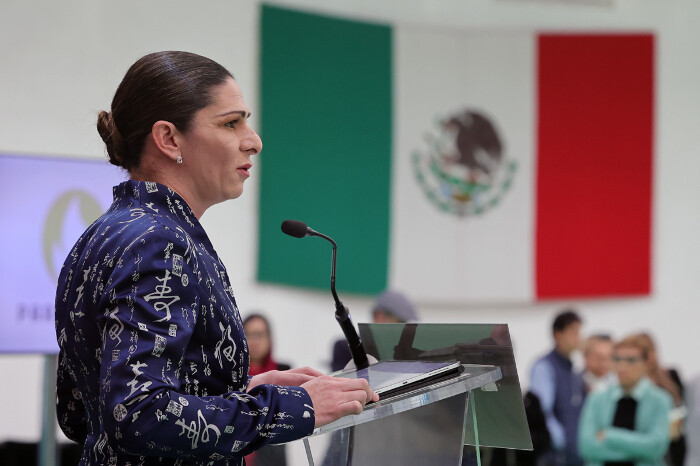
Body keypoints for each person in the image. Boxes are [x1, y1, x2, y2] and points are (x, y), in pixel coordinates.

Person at [54, 51, 377, 466]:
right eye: (231, 123)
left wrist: (239, 392)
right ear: (169, 139)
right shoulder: (160, 242)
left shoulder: (98, 237)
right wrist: (290, 409)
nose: (254, 140)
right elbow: (136, 413)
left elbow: (78, 413)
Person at [578, 335, 672, 466]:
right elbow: (587, 447)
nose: (622, 366)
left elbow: (656, 447)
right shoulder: (596, 399)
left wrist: (610, 436)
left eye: (631, 360)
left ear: (645, 363)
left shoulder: (660, 400)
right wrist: (639, 451)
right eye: (617, 359)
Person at [529, 309, 586, 465]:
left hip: (574, 451)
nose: (578, 338)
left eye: (579, 332)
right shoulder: (545, 367)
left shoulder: (573, 368)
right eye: (573, 332)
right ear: (558, 335)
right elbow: (542, 411)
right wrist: (559, 441)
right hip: (555, 454)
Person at [242, 314, 291, 466]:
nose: (254, 341)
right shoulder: (232, 377)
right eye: (249, 334)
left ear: (269, 338)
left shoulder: (284, 375)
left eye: (259, 334)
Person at [330, 290, 419, 372]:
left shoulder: (404, 352)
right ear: (379, 317)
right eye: (400, 322)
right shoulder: (344, 349)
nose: (402, 329)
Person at [635, 333, 685, 466]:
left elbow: (683, 404)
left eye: (650, 350)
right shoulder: (636, 384)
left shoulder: (671, 375)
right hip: (651, 439)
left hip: (676, 439)